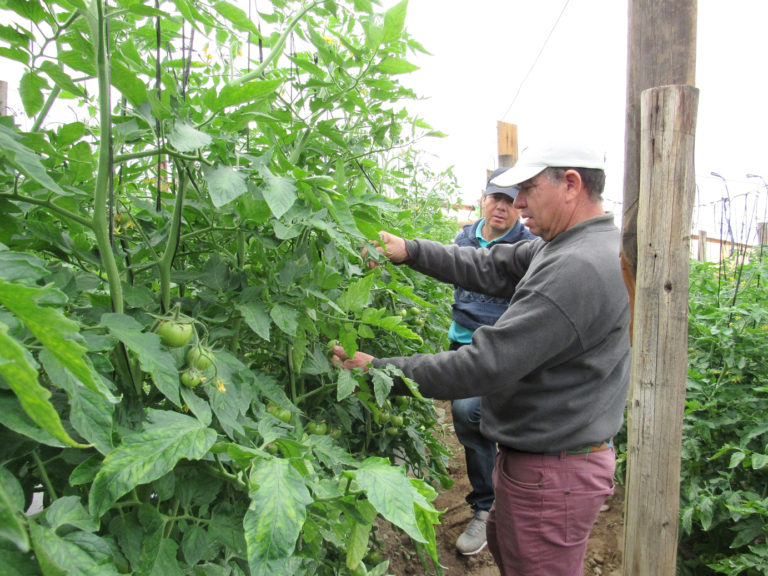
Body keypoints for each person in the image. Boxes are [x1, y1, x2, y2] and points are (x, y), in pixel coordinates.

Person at [332, 141, 631, 576]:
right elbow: (490, 266)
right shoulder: (565, 245)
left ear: (571, 184)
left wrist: (380, 371)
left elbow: (484, 364)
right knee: (515, 556)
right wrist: (411, 250)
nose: (518, 203)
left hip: (555, 472)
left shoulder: (578, 267)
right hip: (544, 459)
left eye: (527, 189)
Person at [448, 166, 536, 556]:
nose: (501, 206)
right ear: (483, 199)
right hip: (462, 341)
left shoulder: (529, 245)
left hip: (503, 351)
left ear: (520, 204)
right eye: (494, 197)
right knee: (471, 418)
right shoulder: (465, 237)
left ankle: (489, 507)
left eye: (509, 199)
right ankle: (492, 497)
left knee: (471, 413)